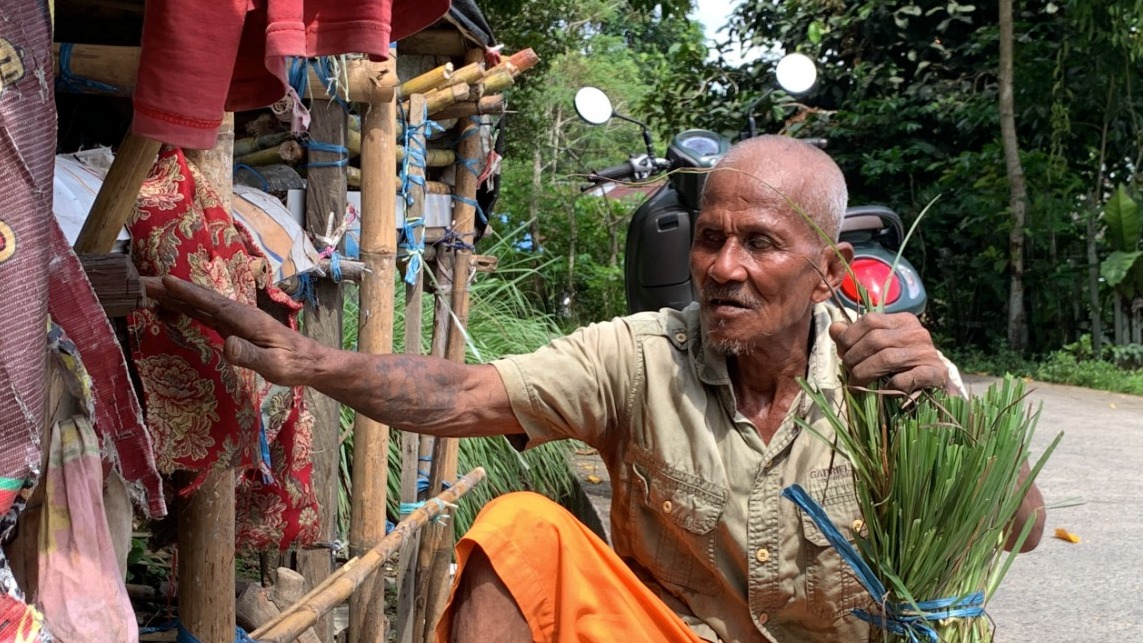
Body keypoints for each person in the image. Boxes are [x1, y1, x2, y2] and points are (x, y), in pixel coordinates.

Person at [146, 135, 1045, 643]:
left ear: (829, 270)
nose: (722, 268)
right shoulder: (641, 353)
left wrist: (954, 412)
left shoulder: (890, 377)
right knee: (521, 534)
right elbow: (462, 392)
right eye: (710, 238)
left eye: (760, 243)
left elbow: (1022, 524)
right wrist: (307, 361)